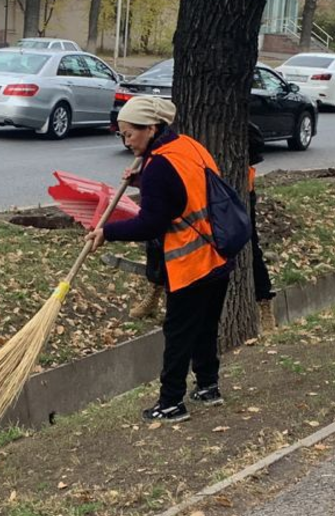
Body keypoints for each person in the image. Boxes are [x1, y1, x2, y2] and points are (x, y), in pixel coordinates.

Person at [89, 95, 231, 422]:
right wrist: (143, 178)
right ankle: (209, 387)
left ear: (151, 128)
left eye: (130, 134)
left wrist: (107, 232)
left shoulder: (158, 167)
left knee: (179, 333)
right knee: (205, 326)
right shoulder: (188, 147)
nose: (126, 142)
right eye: (121, 135)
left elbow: (150, 223)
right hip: (219, 254)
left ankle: (170, 403)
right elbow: (183, 189)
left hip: (191, 263)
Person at [247, 130, 278, 328]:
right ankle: (156, 286)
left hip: (242, 194)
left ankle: (264, 301)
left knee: (251, 248)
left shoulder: (244, 129)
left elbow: (257, 141)